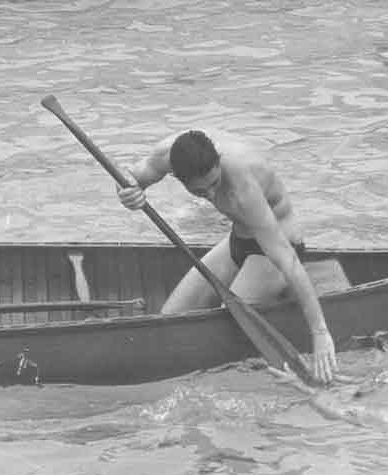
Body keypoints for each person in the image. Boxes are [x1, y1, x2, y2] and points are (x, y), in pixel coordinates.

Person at [116, 129, 338, 383]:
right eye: (199, 192)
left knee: (220, 332)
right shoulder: (168, 154)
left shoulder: (243, 191)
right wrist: (128, 193)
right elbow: (130, 175)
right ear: (176, 175)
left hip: (276, 249)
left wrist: (320, 333)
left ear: (218, 160)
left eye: (214, 184)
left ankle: (277, 294)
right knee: (169, 321)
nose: (210, 195)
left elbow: (288, 261)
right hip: (237, 240)